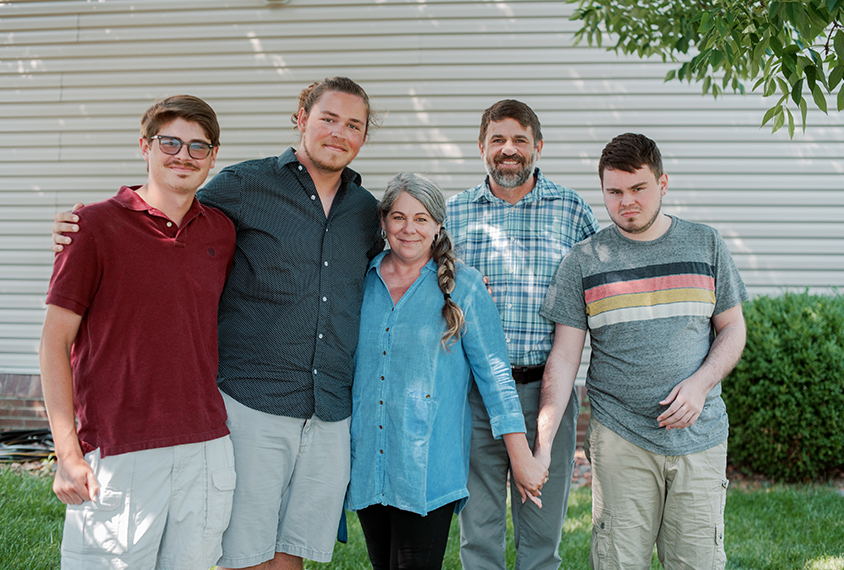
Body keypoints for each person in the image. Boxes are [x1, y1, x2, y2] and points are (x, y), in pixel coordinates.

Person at [51, 77, 384, 570]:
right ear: (302, 118)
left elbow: (395, 268)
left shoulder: (367, 212)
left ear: (364, 136)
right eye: (328, 119)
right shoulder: (245, 184)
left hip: (328, 408)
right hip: (250, 401)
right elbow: (168, 202)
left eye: (353, 125)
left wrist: (454, 276)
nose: (339, 132)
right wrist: (82, 226)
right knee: (243, 553)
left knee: (290, 552)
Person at [39, 95, 237, 569]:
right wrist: (66, 453)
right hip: (119, 447)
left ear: (213, 157)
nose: (183, 156)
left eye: (198, 146)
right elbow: (54, 343)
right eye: (170, 143)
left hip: (205, 445)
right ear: (145, 147)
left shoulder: (222, 232)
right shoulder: (92, 227)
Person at [538, 133, 748, 569]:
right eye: (614, 191)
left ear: (662, 183)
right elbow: (564, 357)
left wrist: (700, 385)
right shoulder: (584, 260)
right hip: (620, 437)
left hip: (700, 436)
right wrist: (543, 444)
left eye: (638, 188)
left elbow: (732, 329)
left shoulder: (705, 244)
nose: (626, 202)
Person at [346, 172, 547, 570]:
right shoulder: (360, 280)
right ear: (383, 221)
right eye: (399, 217)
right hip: (369, 460)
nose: (409, 228)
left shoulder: (464, 286)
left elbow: (495, 376)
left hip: (428, 468)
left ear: (438, 225)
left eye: (421, 218)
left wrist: (521, 456)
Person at [446, 100, 600, 570]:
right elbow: (430, 295)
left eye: (519, 139)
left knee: (541, 539)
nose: (508, 149)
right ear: (481, 146)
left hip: (546, 392)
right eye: (497, 139)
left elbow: (596, 298)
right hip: (474, 396)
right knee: (479, 535)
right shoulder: (453, 214)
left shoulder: (572, 211)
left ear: (538, 146)